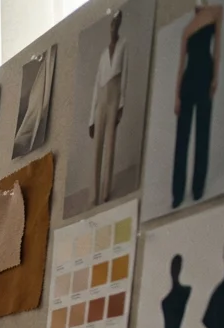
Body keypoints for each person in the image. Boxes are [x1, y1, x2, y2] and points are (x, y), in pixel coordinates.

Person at [172, 1, 223, 209]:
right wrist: (176, 96)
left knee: (203, 132)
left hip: (204, 76)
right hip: (189, 80)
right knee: (182, 140)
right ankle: (177, 192)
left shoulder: (216, 12)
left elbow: (217, 48)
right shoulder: (186, 30)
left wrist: (215, 78)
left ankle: (198, 187)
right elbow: (180, 65)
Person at [89, 10, 127, 206]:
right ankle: (94, 193)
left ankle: (105, 191)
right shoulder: (104, 53)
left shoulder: (123, 45)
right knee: (98, 147)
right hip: (102, 97)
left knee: (110, 144)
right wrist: (91, 120)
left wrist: (121, 105)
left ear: (120, 24)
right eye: (112, 24)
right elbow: (97, 84)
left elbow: (124, 77)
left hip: (114, 95)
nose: (114, 27)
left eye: (116, 23)